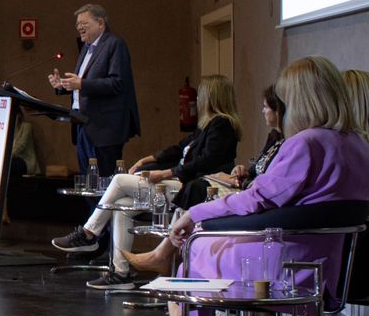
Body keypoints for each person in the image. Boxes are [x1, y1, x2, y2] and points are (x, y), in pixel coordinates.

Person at [126, 57, 369, 316]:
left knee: (197, 249)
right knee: (201, 249)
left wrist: (196, 213)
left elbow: (256, 200)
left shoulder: (306, 143)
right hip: (324, 273)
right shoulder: (362, 146)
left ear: (300, 100)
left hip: (284, 272)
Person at [51, 74, 242, 283]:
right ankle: (120, 274)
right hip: (179, 183)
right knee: (121, 206)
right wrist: (147, 159)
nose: (197, 100)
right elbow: (178, 149)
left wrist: (165, 173)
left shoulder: (222, 125)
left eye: (201, 95)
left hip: (192, 189)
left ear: (211, 97)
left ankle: (88, 234)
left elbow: (205, 162)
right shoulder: (205, 126)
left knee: (119, 181)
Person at [48, 3, 141, 177]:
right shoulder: (86, 48)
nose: (79, 27)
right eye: (77, 24)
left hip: (104, 128)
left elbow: (117, 83)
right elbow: (84, 82)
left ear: (100, 23)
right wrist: (63, 85)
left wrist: (81, 84)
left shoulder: (115, 44)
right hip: (82, 124)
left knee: (102, 184)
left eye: (84, 23)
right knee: (88, 184)